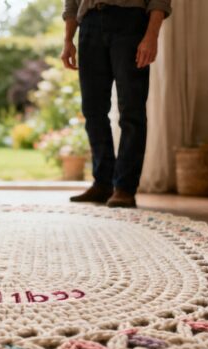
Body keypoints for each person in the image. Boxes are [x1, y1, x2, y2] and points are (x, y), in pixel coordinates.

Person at [61, 0, 171, 208]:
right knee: (93, 111)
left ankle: (125, 188)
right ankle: (103, 183)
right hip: (89, 24)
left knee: (131, 110)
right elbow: (71, 3)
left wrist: (151, 35)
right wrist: (68, 40)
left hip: (130, 21)